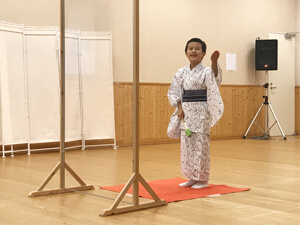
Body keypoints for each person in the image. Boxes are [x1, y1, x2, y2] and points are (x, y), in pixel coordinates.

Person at [167, 38, 224, 189]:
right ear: (186, 52)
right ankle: (192, 176)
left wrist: (214, 63)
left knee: (200, 146)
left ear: (203, 53)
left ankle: (203, 179)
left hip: (201, 111)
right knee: (187, 145)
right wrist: (179, 108)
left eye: (197, 49)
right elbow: (174, 91)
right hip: (185, 112)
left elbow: (215, 79)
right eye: (190, 48)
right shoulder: (181, 72)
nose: (193, 51)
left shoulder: (206, 71)